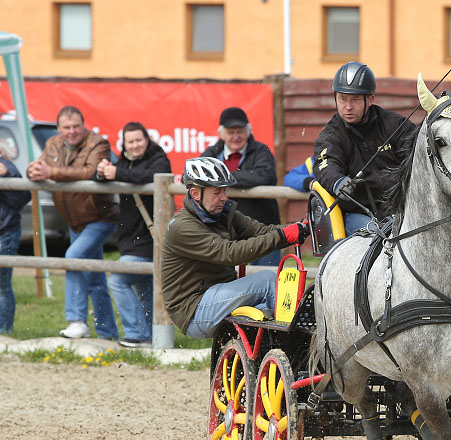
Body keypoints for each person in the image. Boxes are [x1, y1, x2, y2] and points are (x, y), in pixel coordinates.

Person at [160, 158, 309, 339]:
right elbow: (231, 253)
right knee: (267, 281)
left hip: (218, 298)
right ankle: (304, 337)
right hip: (193, 311)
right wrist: (284, 236)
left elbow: (261, 231)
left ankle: (289, 343)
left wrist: (301, 227)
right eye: (217, 192)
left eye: (225, 190)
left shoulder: (222, 214)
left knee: (268, 311)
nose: (224, 197)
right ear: (195, 193)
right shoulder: (183, 227)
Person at [26, 106, 119, 340]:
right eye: (66, 127)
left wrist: (51, 172)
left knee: (72, 257)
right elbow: (40, 166)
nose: (72, 131)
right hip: (74, 222)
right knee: (95, 279)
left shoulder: (98, 143)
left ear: (84, 125)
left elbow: (89, 172)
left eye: (76, 126)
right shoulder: (53, 143)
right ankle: (108, 333)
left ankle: (77, 320)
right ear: (59, 128)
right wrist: (32, 171)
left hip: (100, 217)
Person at [312, 61, 417, 235]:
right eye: (342, 99)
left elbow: (417, 153)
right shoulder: (331, 135)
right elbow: (326, 163)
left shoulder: (395, 125)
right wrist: (337, 182)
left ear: (370, 100)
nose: (348, 107)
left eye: (355, 99)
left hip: (402, 208)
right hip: (358, 214)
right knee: (378, 237)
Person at [96, 122, 171, 348]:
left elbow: (154, 175)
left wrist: (117, 172)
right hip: (130, 239)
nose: (135, 145)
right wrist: (101, 172)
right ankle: (150, 338)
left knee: (118, 280)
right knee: (146, 290)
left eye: (139, 140)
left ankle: (137, 334)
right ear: (124, 144)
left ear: (147, 140)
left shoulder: (158, 157)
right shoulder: (124, 161)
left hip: (149, 240)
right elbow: (108, 176)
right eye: (130, 141)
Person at [202, 106, 282, 266]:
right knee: (229, 278)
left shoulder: (261, 150)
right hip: (224, 231)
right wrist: (238, 178)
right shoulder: (212, 152)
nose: (236, 136)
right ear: (222, 134)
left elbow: (266, 176)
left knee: (268, 276)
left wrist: (224, 177)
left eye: (240, 131)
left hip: (262, 228)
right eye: (231, 132)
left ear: (248, 131)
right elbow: (194, 175)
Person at [0, 153, 31, 334]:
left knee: (2, 285)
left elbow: (22, 198)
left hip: (5, 232)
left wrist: (7, 175)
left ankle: (4, 330)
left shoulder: (6, 167)